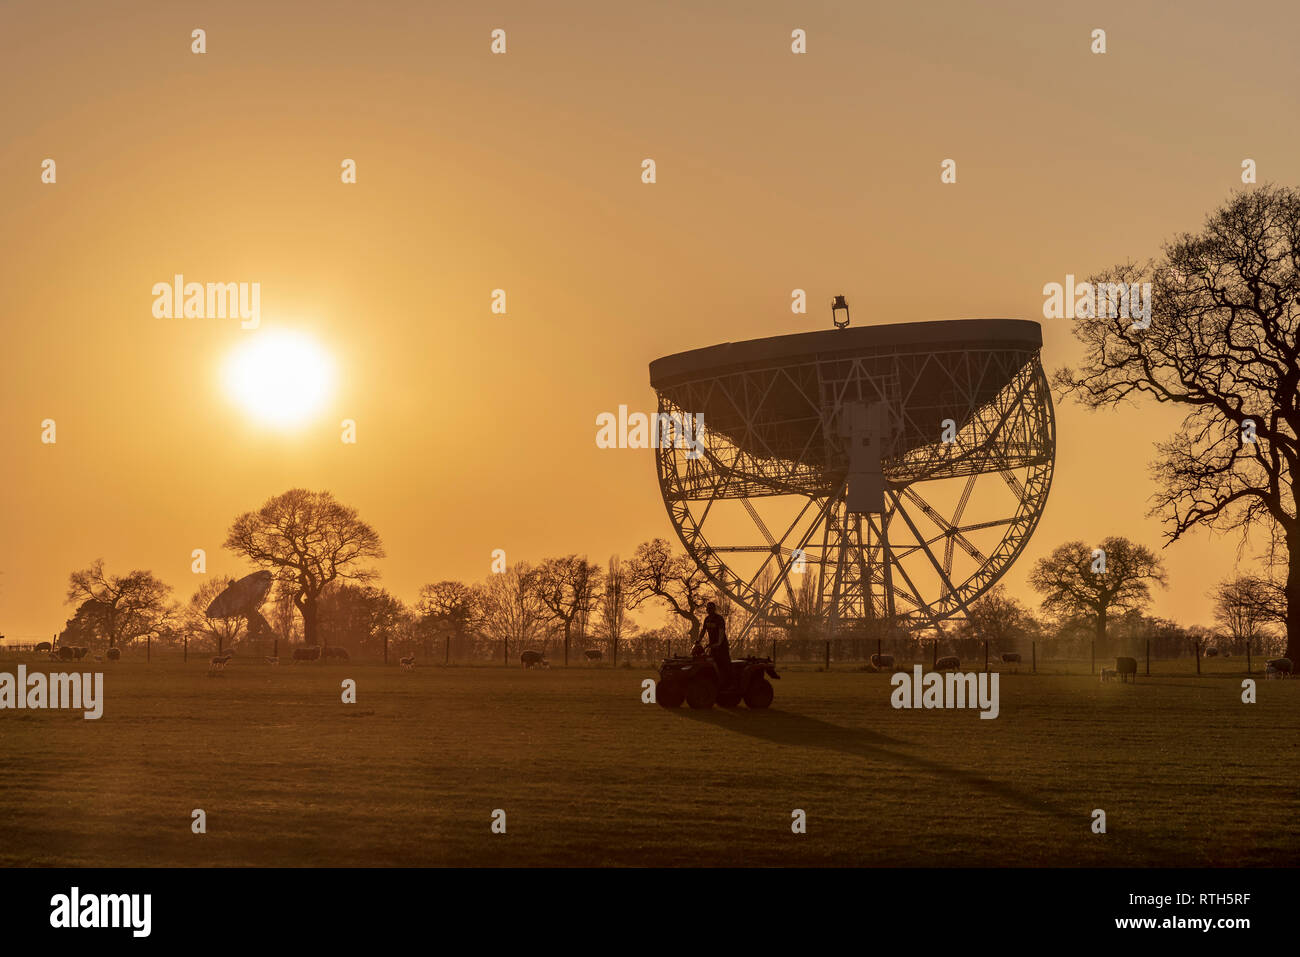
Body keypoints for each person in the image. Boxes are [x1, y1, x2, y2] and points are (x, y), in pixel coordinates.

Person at [698, 601, 733, 687]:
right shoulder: (707, 619)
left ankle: (730, 683)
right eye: (708, 608)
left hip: (722, 646)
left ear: (714, 609)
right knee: (711, 664)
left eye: (710, 608)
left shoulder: (719, 619)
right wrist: (698, 640)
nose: (709, 610)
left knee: (725, 664)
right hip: (712, 646)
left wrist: (719, 643)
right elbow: (703, 631)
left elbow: (721, 632)